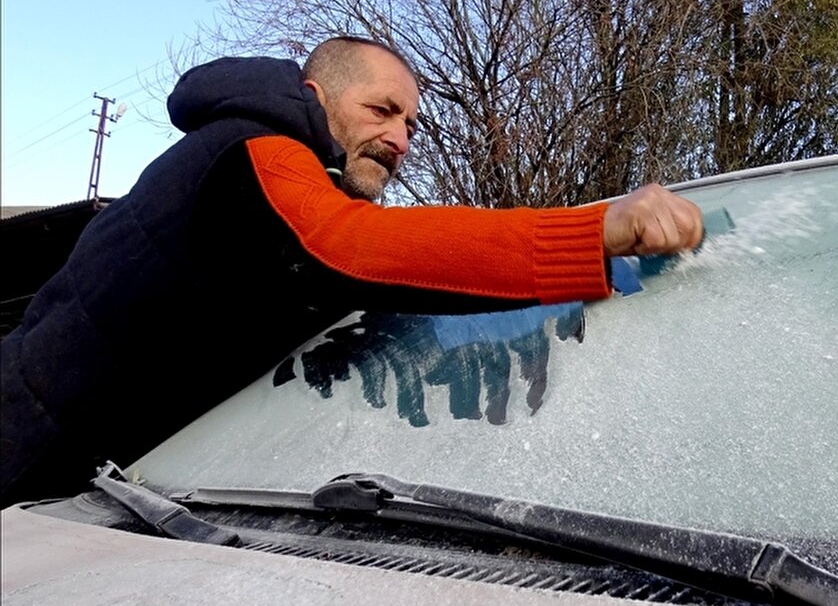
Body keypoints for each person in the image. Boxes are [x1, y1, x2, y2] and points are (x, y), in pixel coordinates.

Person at [0, 36, 702, 505]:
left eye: (412, 126)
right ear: (317, 95)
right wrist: (595, 231)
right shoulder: (256, 147)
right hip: (25, 461)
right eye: (381, 111)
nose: (400, 139)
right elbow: (349, 246)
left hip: (99, 495)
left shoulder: (283, 169)